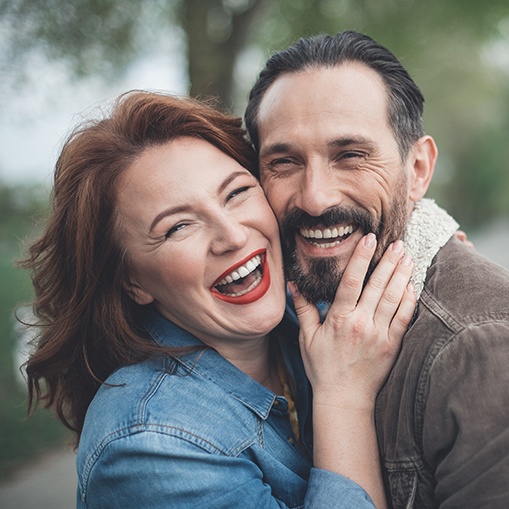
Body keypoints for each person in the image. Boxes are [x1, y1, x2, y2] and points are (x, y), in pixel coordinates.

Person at [22, 91, 417, 508]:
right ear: (131, 281)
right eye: (178, 227)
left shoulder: (301, 311)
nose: (232, 235)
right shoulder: (150, 445)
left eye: (236, 193)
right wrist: (343, 397)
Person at [245, 30, 509, 508]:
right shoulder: (283, 305)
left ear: (418, 170)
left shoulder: (481, 350)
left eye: (350, 156)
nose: (315, 197)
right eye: (284, 162)